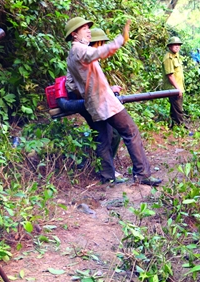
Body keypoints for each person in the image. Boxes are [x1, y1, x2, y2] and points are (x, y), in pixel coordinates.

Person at [64, 16, 161, 186]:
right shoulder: (79, 49)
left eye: (88, 28)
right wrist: (120, 39)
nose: (88, 31)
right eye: (84, 28)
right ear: (74, 34)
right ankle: (142, 175)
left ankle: (107, 177)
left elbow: (70, 84)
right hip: (104, 102)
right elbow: (98, 52)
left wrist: (89, 91)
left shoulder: (71, 56)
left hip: (93, 104)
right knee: (131, 132)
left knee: (103, 139)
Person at [65, 27, 122, 176]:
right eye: (101, 44)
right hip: (85, 102)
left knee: (111, 133)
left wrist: (108, 89)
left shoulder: (88, 58)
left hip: (93, 100)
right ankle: (104, 170)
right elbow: (72, 84)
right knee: (106, 134)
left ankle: (105, 167)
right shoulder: (81, 55)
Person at [163, 36, 185, 127]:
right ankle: (181, 127)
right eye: (174, 45)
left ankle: (173, 126)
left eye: (178, 45)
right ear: (169, 46)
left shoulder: (176, 56)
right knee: (178, 109)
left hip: (179, 87)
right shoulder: (168, 58)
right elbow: (170, 75)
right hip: (173, 88)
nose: (177, 46)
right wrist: (177, 88)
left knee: (174, 108)